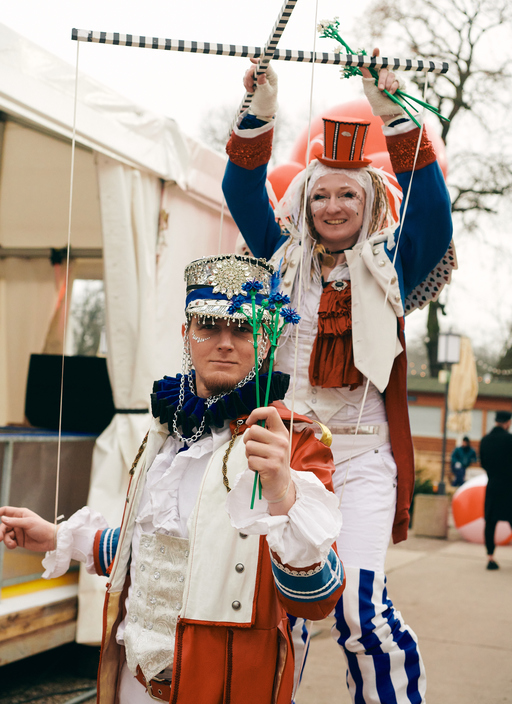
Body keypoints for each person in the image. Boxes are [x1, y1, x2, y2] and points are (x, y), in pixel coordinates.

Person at [0, 254, 345, 704]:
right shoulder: (163, 430)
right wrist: (56, 536)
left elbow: (316, 599)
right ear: (187, 334)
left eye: (242, 328)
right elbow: (156, 549)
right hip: (133, 681)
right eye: (208, 325)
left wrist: (282, 490)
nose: (225, 342)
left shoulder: (294, 441)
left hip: (221, 686)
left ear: (265, 341)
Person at [222, 55, 454, 703]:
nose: (332, 205)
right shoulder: (280, 254)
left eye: (347, 193)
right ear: (303, 201)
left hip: (362, 457)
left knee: (358, 609)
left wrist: (390, 110)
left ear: (370, 200)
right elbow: (241, 191)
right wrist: (262, 109)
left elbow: (433, 215)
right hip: (287, 457)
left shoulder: (392, 266)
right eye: (320, 193)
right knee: (280, 612)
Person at [479, 410, 512, 571]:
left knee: (490, 523)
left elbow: (483, 463)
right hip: (509, 487)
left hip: (492, 485)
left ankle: (490, 557)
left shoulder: (485, 440)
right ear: (508, 422)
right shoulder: (510, 440)